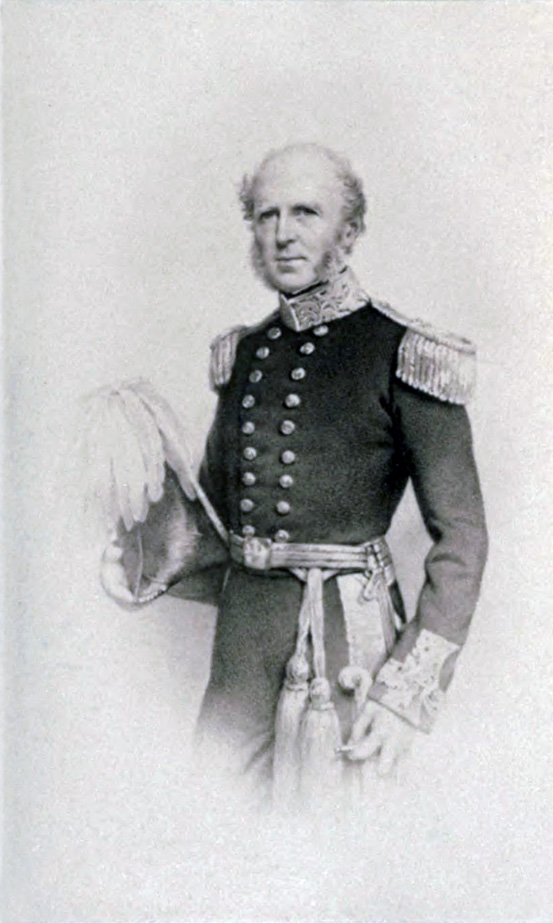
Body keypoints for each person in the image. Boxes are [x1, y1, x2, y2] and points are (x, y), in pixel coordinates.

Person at [98, 143, 488, 810]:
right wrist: (136, 508)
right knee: (211, 814)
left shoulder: (405, 352)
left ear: (350, 231)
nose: (282, 233)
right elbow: (214, 530)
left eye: (305, 212)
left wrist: (405, 696)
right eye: (266, 214)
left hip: (345, 640)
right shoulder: (245, 353)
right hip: (243, 642)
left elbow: (464, 539)